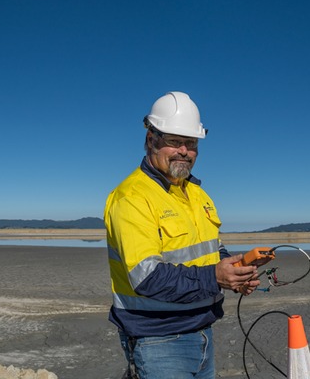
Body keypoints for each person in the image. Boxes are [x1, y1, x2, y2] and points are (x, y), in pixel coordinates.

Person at [104, 91, 261, 379]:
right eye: (175, 142)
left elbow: (212, 249)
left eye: (191, 143)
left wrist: (235, 272)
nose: (185, 151)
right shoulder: (132, 196)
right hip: (158, 339)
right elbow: (146, 278)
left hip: (202, 331)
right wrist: (215, 277)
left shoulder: (197, 194)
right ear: (151, 140)